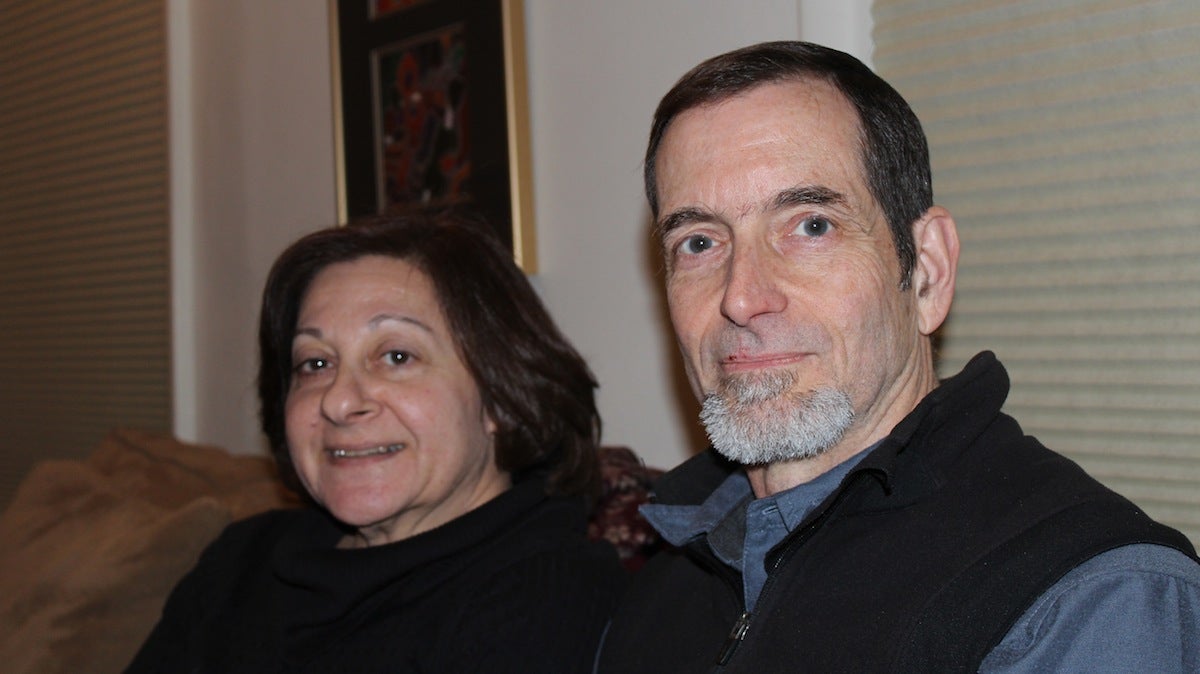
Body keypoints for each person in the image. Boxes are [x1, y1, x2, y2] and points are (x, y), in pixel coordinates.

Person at [596, 41, 1200, 672]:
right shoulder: (668, 569)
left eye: (811, 226)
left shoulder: (1086, 597)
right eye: (699, 242)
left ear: (928, 272)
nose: (742, 298)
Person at [128, 207, 626, 673]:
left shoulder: (548, 595)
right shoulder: (241, 561)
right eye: (315, 363)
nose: (338, 402)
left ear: (501, 396)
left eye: (396, 356)